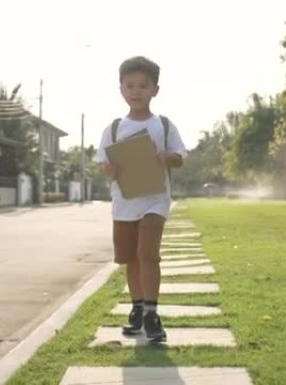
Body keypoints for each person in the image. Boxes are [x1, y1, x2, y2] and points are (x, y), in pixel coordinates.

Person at [96, 56, 187, 342]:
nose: (136, 91)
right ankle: (137, 309)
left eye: (143, 86)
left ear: (155, 90)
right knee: (130, 257)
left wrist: (165, 157)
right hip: (124, 203)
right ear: (121, 89)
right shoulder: (112, 128)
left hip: (155, 201)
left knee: (148, 253)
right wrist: (108, 169)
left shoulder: (164, 125)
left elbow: (180, 158)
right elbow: (102, 163)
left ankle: (152, 313)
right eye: (130, 85)